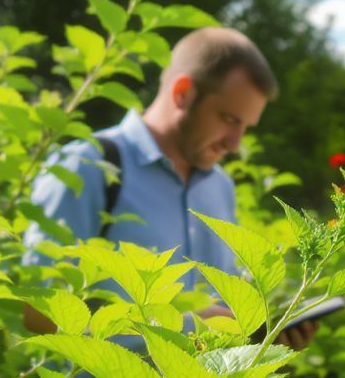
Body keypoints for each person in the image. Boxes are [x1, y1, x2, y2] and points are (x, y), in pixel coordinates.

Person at [23, 26, 315, 348]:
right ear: (183, 93)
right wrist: (184, 324)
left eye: (246, 127)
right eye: (230, 120)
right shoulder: (85, 166)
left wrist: (261, 337)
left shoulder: (220, 187)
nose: (235, 144)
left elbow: (222, 309)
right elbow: (39, 315)